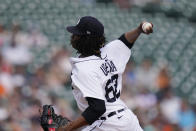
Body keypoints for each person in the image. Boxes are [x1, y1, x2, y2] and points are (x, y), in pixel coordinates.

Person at [60, 16, 153, 131]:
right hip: (128, 120)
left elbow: (97, 109)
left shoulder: (83, 69)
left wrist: (67, 128)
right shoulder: (111, 51)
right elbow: (126, 40)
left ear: (85, 39)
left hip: (108, 124)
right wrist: (139, 30)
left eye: (77, 34)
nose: (73, 36)